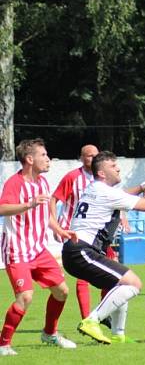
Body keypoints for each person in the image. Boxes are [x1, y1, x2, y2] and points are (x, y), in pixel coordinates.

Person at [61, 151, 145, 344]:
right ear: (101, 173)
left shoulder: (97, 188)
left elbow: (133, 195)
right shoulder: (106, 192)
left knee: (119, 284)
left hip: (77, 251)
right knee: (133, 283)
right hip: (82, 250)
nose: (118, 168)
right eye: (113, 166)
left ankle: (118, 335)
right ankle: (92, 321)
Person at [0, 139, 76, 356]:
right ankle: (3, 344)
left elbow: (44, 215)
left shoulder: (42, 182)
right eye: (43, 155)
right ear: (30, 159)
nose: (48, 159)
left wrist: (58, 229)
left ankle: (49, 334)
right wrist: (28, 204)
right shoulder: (15, 183)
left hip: (38, 250)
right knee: (25, 297)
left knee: (62, 291)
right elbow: (2, 208)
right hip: (17, 250)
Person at [50, 144, 100, 319]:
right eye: (89, 156)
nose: (93, 158)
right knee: (83, 274)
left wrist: (122, 217)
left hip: (98, 231)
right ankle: (86, 318)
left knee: (111, 273)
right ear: (81, 158)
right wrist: (56, 224)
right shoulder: (73, 177)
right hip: (74, 230)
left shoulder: (103, 176)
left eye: (96, 155)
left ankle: (103, 315)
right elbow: (54, 199)